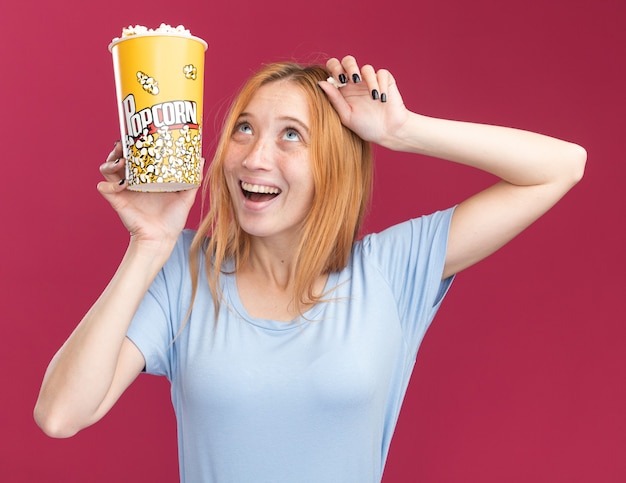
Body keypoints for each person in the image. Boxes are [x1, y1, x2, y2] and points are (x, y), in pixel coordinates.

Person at [34, 55, 586, 482]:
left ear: (334, 163)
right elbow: (61, 415)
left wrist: (401, 130)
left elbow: (561, 166)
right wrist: (149, 244)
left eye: (290, 135)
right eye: (244, 129)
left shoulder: (390, 272)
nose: (254, 156)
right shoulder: (183, 270)